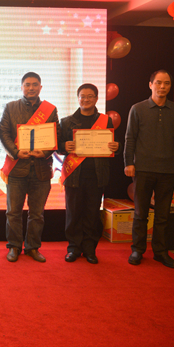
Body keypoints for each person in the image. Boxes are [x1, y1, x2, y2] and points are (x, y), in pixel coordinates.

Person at [124, 70, 174, 269]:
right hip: (143, 169)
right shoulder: (137, 108)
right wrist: (128, 162)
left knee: (163, 215)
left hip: (168, 170)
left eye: (166, 83)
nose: (162, 87)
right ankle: (137, 250)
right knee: (140, 213)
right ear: (150, 84)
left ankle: (160, 252)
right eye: (158, 83)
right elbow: (130, 138)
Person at [0, 72, 59, 263]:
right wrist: (16, 152)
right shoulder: (11, 107)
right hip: (17, 169)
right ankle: (14, 246)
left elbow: (56, 135)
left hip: (41, 169)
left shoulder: (50, 110)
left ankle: (33, 247)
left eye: (34, 84)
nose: (31, 88)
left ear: (40, 87)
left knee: (37, 214)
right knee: (13, 212)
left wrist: (45, 152)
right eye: (27, 84)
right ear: (22, 87)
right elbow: (3, 133)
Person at [58, 83, 119, 264]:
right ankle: (73, 248)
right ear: (78, 98)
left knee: (92, 214)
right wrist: (64, 146)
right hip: (74, 174)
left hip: (97, 174)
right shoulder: (66, 122)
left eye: (90, 96)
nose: (86, 99)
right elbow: (58, 146)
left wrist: (116, 146)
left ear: (96, 99)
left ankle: (90, 249)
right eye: (83, 96)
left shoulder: (105, 121)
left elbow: (112, 145)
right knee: (73, 213)